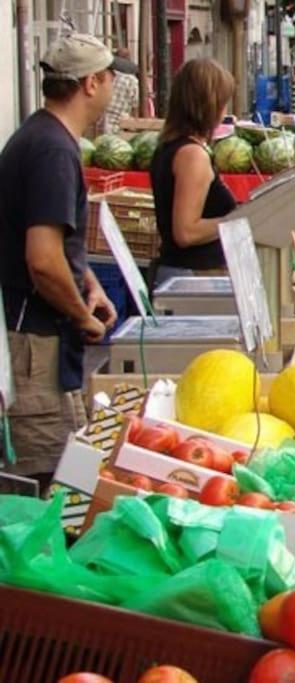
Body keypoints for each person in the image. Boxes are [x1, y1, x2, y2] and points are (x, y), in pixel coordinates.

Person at [0, 33, 121, 488]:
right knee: (45, 480)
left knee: (67, 465)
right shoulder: (52, 151)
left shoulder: (42, 137)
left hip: (38, 336)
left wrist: (88, 282)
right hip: (34, 345)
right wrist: (79, 314)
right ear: (91, 84)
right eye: (109, 77)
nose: (112, 86)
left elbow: (51, 240)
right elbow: (43, 260)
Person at [150, 58, 236, 283]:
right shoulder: (192, 155)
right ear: (210, 104)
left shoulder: (171, 146)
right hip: (193, 276)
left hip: (186, 273)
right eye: (223, 102)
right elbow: (186, 232)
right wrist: (240, 220)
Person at [100, 47, 139, 133]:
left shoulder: (108, 76)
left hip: (104, 121)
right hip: (121, 124)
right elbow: (135, 106)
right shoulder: (133, 81)